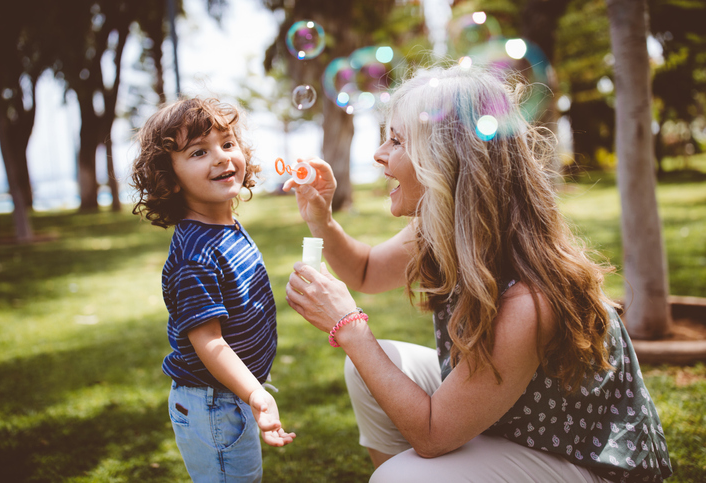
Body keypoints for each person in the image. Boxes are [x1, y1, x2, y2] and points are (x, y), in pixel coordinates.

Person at [284, 64, 672, 483]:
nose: (379, 155)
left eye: (396, 140)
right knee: (376, 379)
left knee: (402, 476)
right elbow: (364, 271)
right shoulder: (442, 226)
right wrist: (322, 220)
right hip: (516, 422)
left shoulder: (531, 298)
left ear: (445, 161)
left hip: (584, 462)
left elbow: (432, 435)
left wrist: (350, 327)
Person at [131, 98, 295, 482]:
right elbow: (209, 343)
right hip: (213, 403)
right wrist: (255, 394)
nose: (221, 157)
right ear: (169, 178)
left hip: (229, 394)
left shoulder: (227, 225)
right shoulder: (195, 255)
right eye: (199, 151)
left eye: (227, 143)